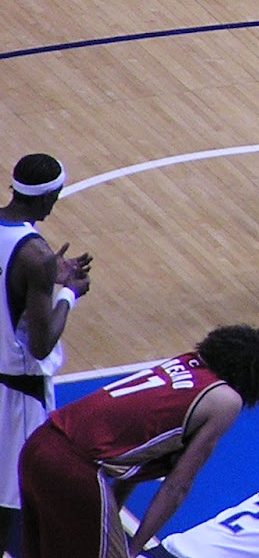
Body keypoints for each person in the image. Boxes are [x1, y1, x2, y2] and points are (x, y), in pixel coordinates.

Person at [18, 323, 259, 558]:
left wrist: (110, 514)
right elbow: (177, 485)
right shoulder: (226, 400)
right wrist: (134, 549)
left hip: (39, 443)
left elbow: (134, 461)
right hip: (74, 467)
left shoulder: (183, 363)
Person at [0, 154, 91, 551]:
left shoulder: (32, 258)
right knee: (15, 503)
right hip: (17, 395)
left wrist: (43, 281)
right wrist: (68, 293)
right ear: (51, 197)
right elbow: (41, 343)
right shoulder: (35, 256)